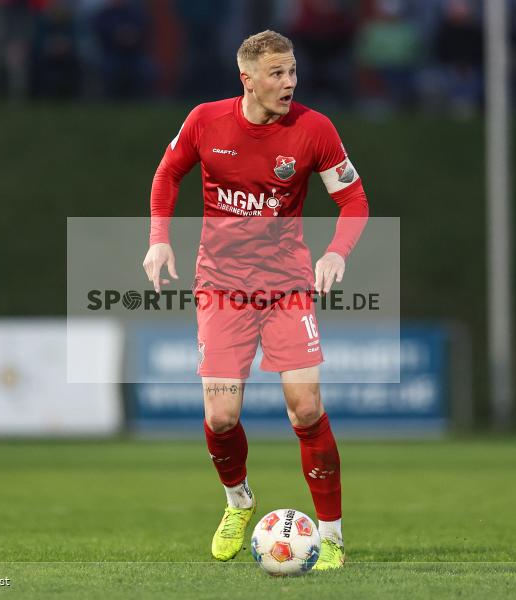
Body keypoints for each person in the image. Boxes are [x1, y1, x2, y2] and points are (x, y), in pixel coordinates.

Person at [142, 30, 368, 570]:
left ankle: (332, 536)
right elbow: (168, 172)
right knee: (221, 416)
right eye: (277, 74)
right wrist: (157, 239)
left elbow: (354, 199)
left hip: (288, 286)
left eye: (292, 71)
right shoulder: (205, 121)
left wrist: (336, 253)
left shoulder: (315, 129)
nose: (289, 82)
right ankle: (239, 502)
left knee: (306, 407)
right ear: (247, 79)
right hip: (221, 287)